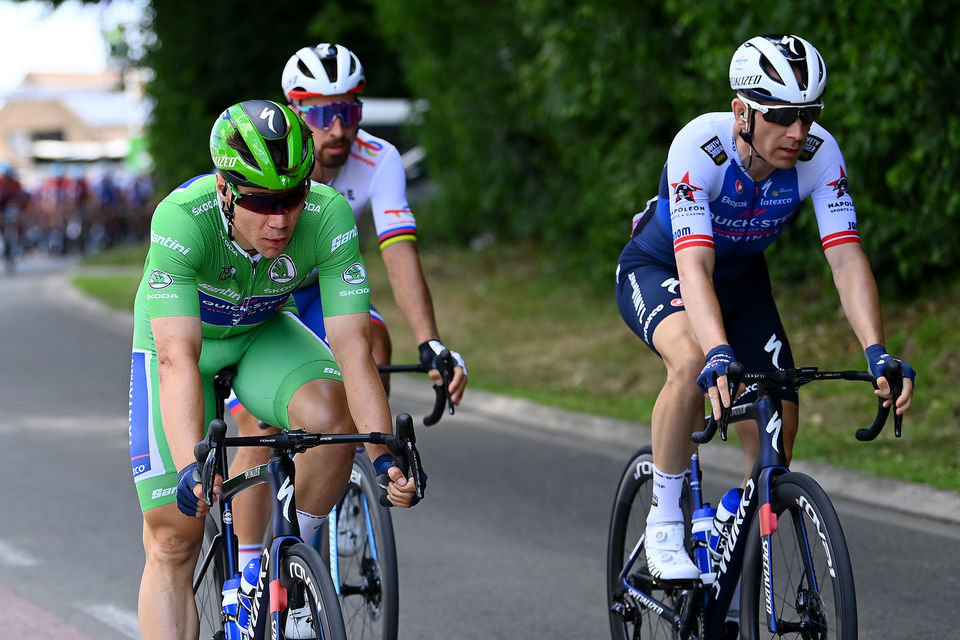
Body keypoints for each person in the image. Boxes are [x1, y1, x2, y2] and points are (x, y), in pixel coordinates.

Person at [615, 34, 916, 581]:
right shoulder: (698, 147)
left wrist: (877, 351)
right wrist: (719, 351)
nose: (798, 133)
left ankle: (734, 533)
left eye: (808, 115)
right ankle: (663, 518)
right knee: (689, 363)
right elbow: (695, 268)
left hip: (743, 281)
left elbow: (846, 259)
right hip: (664, 268)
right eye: (781, 117)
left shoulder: (819, 154)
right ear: (742, 112)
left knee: (781, 417)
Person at [128, 99, 420, 639]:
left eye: (292, 197)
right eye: (263, 202)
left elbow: (353, 346)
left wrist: (383, 455)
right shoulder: (180, 221)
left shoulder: (326, 215)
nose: (281, 219)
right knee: (174, 536)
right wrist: (196, 462)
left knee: (333, 421)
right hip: (183, 348)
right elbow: (176, 359)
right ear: (225, 190)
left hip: (262, 331)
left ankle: (288, 568)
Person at [227, 43, 467, 568]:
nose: (338, 128)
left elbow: (399, 251)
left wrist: (429, 340)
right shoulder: (272, 158)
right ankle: (247, 571)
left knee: (373, 342)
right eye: (319, 112)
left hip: (321, 291)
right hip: (262, 297)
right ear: (293, 111)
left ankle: (354, 475)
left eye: (350, 110)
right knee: (257, 427)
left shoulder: (378, 158)